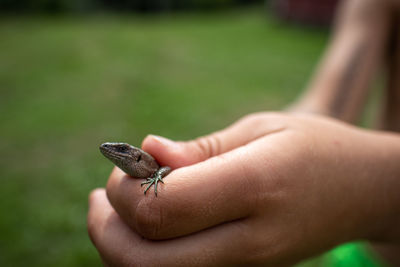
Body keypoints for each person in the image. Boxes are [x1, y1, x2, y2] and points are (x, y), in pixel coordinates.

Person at [87, 0, 400, 265]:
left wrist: (374, 192)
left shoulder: (154, 169)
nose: (117, 150)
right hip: (362, 254)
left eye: (124, 149)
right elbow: (331, 108)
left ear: (138, 155)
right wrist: (252, 147)